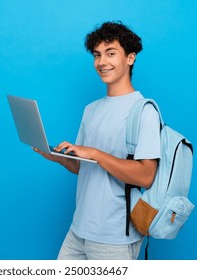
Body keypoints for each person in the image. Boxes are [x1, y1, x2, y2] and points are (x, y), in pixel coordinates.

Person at [33, 21, 161, 260]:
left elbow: (146, 175)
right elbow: (83, 167)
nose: (102, 62)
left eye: (111, 53)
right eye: (97, 55)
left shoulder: (143, 111)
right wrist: (57, 157)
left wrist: (95, 153)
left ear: (130, 58)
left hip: (113, 237)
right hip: (78, 229)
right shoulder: (91, 110)